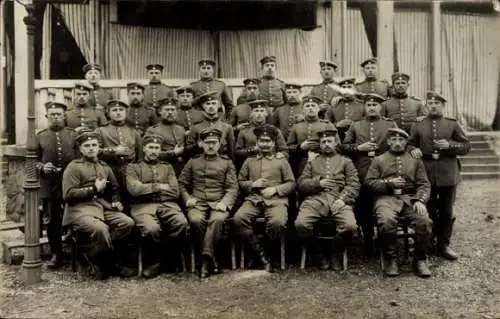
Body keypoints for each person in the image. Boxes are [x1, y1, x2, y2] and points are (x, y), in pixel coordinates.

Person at [62, 129, 135, 279]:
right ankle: (112, 265)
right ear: (81, 149)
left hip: (100, 206)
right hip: (78, 210)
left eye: (94, 145)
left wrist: (115, 201)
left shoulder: (104, 166)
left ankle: (89, 252)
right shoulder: (74, 167)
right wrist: (93, 189)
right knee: (101, 229)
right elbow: (68, 195)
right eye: (87, 145)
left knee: (127, 223)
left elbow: (115, 188)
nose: (91, 148)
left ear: (98, 147)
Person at [408, 91, 471, 260]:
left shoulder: (452, 124)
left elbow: (466, 146)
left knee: (446, 212)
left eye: (437, 103)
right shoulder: (418, 124)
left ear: (443, 105)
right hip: (426, 172)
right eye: (430, 103)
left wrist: (449, 145)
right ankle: (428, 243)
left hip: (448, 172)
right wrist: (413, 149)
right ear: (426, 106)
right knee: (429, 210)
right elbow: (409, 144)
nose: (433, 106)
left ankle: (443, 245)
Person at [365, 127, 432, 277]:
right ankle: (391, 259)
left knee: (424, 221)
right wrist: (389, 183)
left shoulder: (415, 160)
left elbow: (424, 184)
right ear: (388, 141)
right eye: (393, 140)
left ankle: (419, 259)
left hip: (410, 199)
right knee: (386, 221)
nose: (397, 143)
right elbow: (369, 183)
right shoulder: (379, 160)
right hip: (385, 199)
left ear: (406, 142)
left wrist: (420, 201)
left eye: (401, 140)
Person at [295, 127, 360, 270]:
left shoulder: (345, 162)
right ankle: (318, 253)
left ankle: (335, 252)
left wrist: (342, 199)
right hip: (316, 200)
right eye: (323, 141)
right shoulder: (312, 162)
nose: (326, 144)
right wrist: (318, 183)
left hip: (339, 199)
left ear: (336, 142)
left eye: (329, 141)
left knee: (350, 226)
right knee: (301, 224)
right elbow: (301, 184)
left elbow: (354, 184)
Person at [233, 125, 296, 272]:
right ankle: (260, 254)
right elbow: (240, 181)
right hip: (254, 199)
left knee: (277, 222)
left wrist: (275, 189)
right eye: (262, 141)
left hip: (276, 200)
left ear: (274, 143)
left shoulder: (281, 161)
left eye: (268, 141)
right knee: (238, 219)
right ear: (257, 142)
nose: (265, 144)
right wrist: (252, 184)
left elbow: (292, 183)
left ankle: (266, 253)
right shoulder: (249, 161)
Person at [341, 93, 397, 256]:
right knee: (364, 206)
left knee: (384, 203)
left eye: (375, 105)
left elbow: (398, 146)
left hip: (384, 170)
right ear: (364, 107)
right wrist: (359, 148)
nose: (372, 108)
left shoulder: (390, 123)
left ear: (380, 107)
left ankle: (384, 239)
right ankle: (368, 240)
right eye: (368, 105)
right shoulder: (356, 126)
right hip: (362, 170)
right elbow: (344, 147)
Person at [179, 128, 238, 278]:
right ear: (201, 144)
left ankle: (205, 259)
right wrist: (188, 199)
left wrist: (225, 202)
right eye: (207, 143)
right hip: (198, 201)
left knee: (217, 220)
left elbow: (232, 187)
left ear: (219, 144)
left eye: (214, 143)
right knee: (196, 220)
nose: (211, 146)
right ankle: (212, 259)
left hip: (219, 201)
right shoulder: (193, 162)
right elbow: (182, 184)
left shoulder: (227, 162)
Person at [126, 134, 188, 278]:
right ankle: (156, 262)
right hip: (142, 207)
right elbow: (134, 190)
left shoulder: (167, 167)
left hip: (167, 204)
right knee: (151, 229)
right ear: (144, 149)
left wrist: (146, 189)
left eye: (157, 148)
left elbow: (174, 191)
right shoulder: (133, 167)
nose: (154, 151)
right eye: (151, 148)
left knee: (182, 224)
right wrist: (159, 186)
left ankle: (165, 259)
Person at [36, 101, 77, 269]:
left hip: (71, 184)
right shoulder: (40, 136)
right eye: (52, 114)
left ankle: (77, 252)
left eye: (58, 114)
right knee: (52, 221)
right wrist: (42, 167)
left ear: (64, 116)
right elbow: (31, 162)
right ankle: (56, 254)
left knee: (75, 215)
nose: (55, 117)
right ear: (46, 116)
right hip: (49, 185)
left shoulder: (73, 135)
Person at [95, 100, 142, 212]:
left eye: (121, 110)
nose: (118, 113)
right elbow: (94, 151)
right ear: (108, 113)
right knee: (112, 201)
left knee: (131, 202)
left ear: (125, 113)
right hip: (109, 170)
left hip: (130, 171)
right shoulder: (101, 130)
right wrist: (112, 151)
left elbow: (140, 156)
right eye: (114, 110)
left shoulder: (133, 132)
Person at [287, 96, 336, 176]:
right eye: (307, 106)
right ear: (303, 110)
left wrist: (322, 147)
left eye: (313, 105)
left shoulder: (327, 125)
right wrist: (300, 147)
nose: (310, 108)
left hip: (324, 161)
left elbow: (338, 146)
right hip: (301, 163)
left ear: (318, 109)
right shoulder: (297, 126)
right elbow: (288, 147)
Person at [235, 102, 288, 170]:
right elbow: (237, 152)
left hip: (272, 165)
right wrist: (252, 150)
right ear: (251, 114)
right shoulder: (244, 131)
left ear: (266, 114)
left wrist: (280, 155)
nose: (259, 114)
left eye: (262, 111)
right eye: (256, 111)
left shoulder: (275, 130)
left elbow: (285, 151)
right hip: (252, 166)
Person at [185, 91, 235, 159]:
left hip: (221, 164)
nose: (211, 106)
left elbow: (231, 151)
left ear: (218, 105)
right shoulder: (195, 127)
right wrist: (197, 146)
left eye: (214, 103)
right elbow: (187, 150)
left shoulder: (227, 127)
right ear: (203, 106)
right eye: (207, 104)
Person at [145, 97, 186, 176]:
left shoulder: (181, 129)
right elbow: (149, 153)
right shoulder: (152, 130)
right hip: (162, 169)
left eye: (173, 109)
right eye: (167, 110)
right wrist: (173, 153)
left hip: (182, 169)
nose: (170, 112)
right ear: (160, 111)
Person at [325, 77, 365, 141]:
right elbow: (326, 122)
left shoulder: (362, 105)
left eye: (349, 87)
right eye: (343, 87)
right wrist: (337, 124)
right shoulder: (335, 104)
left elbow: (367, 121)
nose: (346, 89)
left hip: (357, 138)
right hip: (338, 138)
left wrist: (354, 124)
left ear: (355, 89)